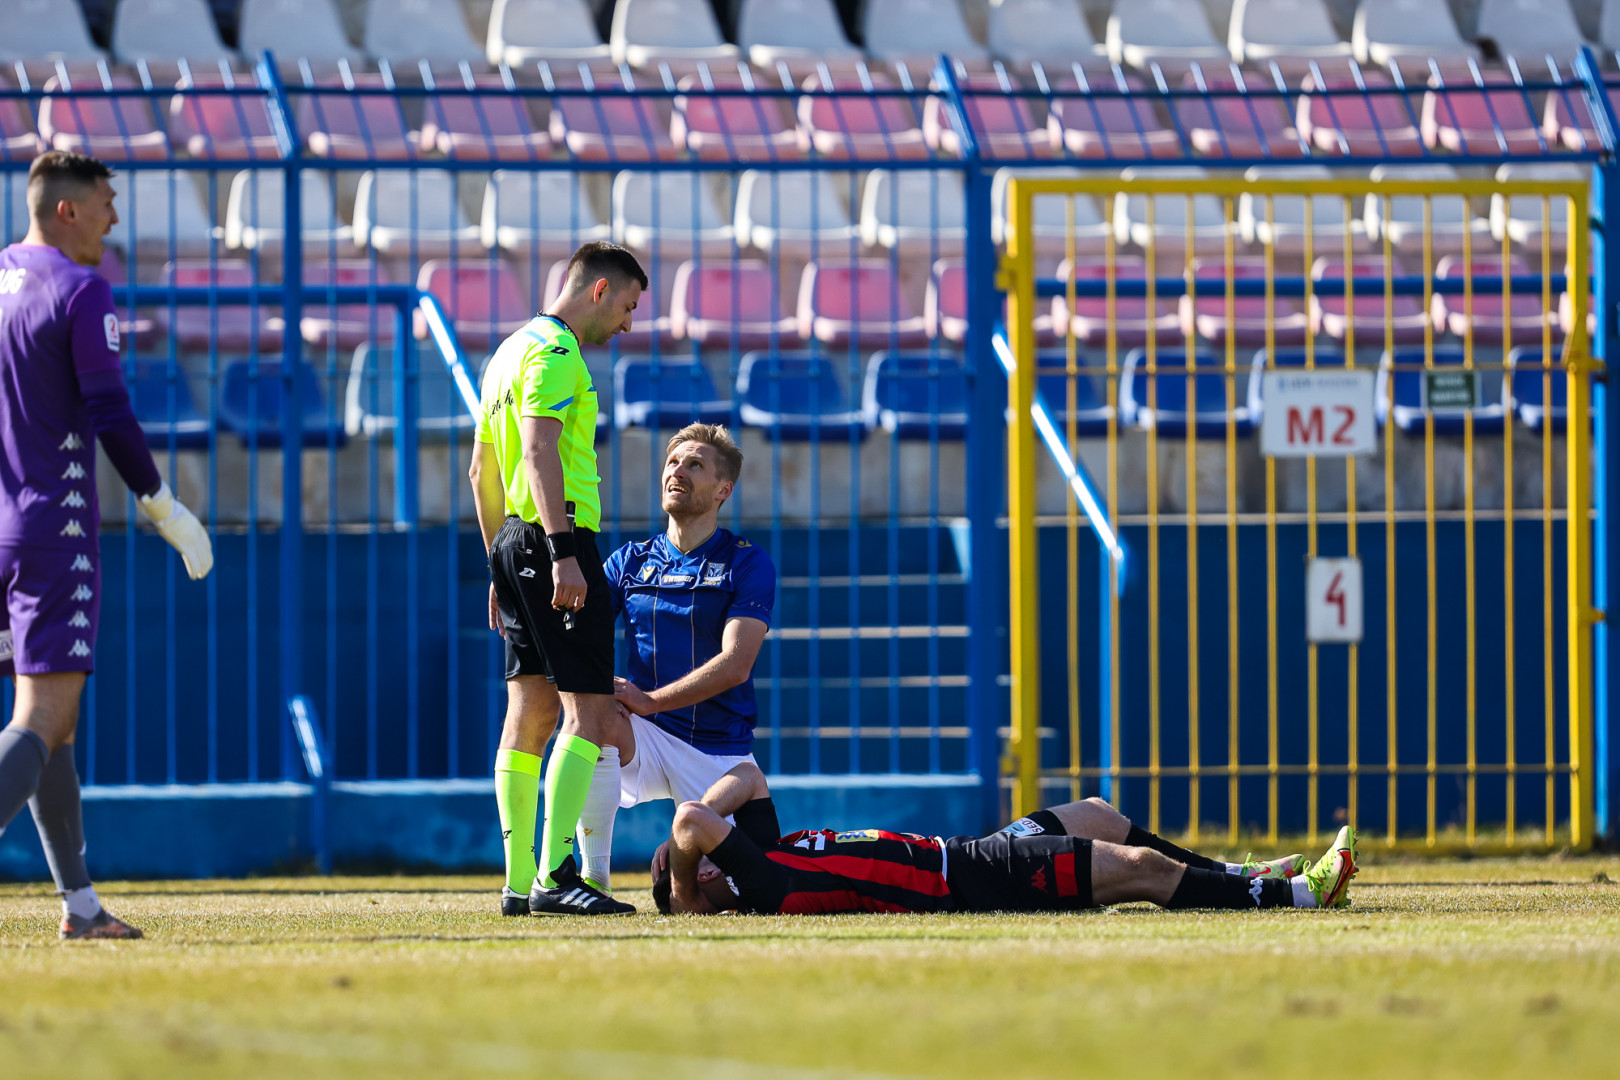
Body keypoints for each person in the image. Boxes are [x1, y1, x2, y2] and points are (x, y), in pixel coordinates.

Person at [0, 151, 213, 940]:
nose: (113, 221)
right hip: (52, 532)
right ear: (67, 211)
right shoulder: (80, 289)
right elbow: (110, 410)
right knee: (42, 719)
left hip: (3, 528)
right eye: (104, 204)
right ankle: (81, 907)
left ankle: (82, 907)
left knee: (53, 729)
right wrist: (162, 505)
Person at [469, 240, 646, 916]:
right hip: (557, 538)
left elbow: (481, 473)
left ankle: (518, 883)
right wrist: (563, 551)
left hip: (513, 542)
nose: (627, 324)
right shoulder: (557, 352)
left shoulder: (504, 354)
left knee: (532, 711)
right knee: (589, 712)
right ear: (599, 290)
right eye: (627, 306)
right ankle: (555, 875)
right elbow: (540, 447)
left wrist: (499, 564)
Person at [652, 762, 1358, 917]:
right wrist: (683, 887)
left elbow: (747, 777)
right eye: (702, 866)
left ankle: (1243, 875)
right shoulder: (767, 888)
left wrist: (698, 860)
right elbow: (690, 824)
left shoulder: (761, 856)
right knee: (1139, 866)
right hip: (970, 882)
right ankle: (1296, 896)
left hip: (968, 850)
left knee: (1096, 813)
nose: (712, 858)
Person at [567, 423, 775, 894]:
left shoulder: (747, 562)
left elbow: (736, 663)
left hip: (720, 755)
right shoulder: (629, 560)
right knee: (592, 711)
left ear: (724, 490)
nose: (677, 471)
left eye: (695, 465)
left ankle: (694, 838)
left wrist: (651, 700)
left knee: (727, 894)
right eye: (673, 462)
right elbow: (578, 633)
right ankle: (593, 878)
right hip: (648, 737)